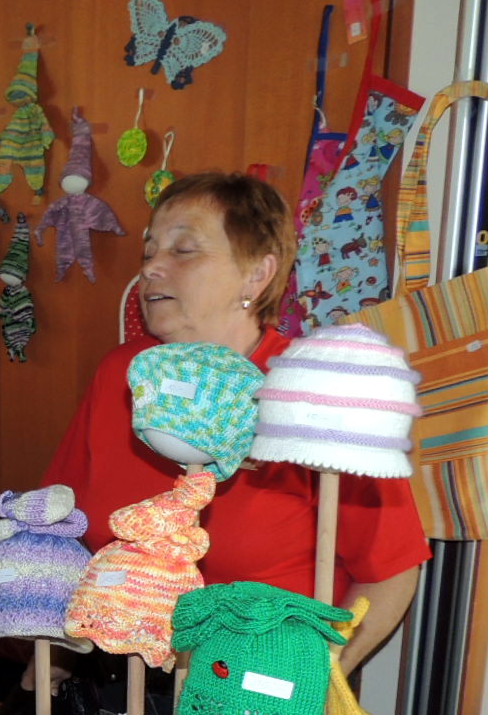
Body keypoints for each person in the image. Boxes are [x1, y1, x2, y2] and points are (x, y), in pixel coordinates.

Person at [42, 171, 429, 672]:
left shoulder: (314, 392)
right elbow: (61, 523)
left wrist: (320, 682)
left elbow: (390, 570)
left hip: (255, 685)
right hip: (118, 672)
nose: (152, 268)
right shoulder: (123, 373)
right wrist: (51, 658)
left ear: (257, 274)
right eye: (149, 251)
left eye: (184, 250)